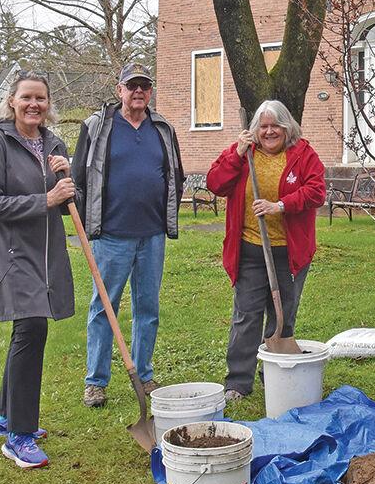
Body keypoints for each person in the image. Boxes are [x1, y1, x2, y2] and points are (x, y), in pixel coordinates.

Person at [0, 71, 76, 469]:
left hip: (47, 253)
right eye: (27, 98)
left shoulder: (54, 143)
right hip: (12, 252)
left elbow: (69, 200)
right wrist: (46, 198)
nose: (34, 105)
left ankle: (4, 417)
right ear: (12, 102)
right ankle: (19, 435)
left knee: (27, 329)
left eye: (41, 99)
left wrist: (68, 180)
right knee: (32, 327)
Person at [72, 62, 184, 408]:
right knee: (103, 307)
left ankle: (145, 374)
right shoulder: (98, 126)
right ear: (119, 90)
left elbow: (175, 174)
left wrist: (166, 214)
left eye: (144, 86)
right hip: (111, 235)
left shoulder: (161, 128)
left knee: (147, 307)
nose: (138, 92)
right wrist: (90, 221)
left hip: (151, 235)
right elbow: (79, 177)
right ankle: (96, 381)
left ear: (150, 92)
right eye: (131, 85)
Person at [207, 100, 326, 401]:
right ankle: (238, 382)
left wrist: (281, 206)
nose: (270, 131)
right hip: (250, 249)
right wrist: (235, 154)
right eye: (263, 126)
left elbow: (316, 191)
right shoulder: (244, 154)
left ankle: (275, 373)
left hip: (288, 251)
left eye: (276, 126)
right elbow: (215, 183)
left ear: (287, 128)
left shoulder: (303, 155)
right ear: (255, 130)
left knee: (282, 315)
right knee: (246, 315)